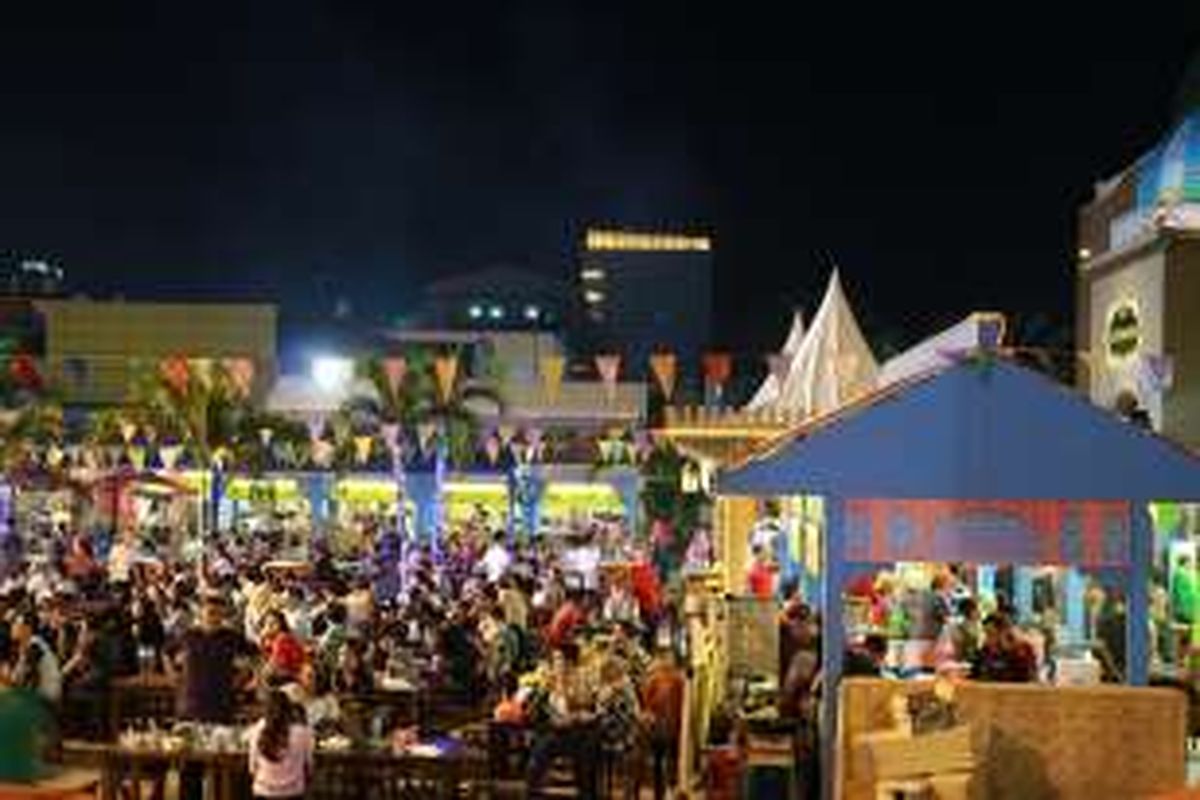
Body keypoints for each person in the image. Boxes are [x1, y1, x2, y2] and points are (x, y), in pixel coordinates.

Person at [171, 596, 258, 800]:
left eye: (218, 613)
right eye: (210, 613)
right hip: (190, 707)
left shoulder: (232, 637)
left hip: (222, 706)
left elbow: (256, 657)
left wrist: (243, 679)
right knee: (190, 766)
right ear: (200, 613)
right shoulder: (188, 636)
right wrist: (175, 678)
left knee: (222, 764)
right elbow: (167, 652)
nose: (214, 617)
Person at [248, 689, 314, 800]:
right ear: (290, 709)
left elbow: (252, 769)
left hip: (263, 792)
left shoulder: (256, 730)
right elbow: (309, 768)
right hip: (293, 793)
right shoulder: (303, 732)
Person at [642, 647, 685, 800]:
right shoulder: (653, 679)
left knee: (672, 760)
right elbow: (647, 703)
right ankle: (659, 793)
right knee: (659, 760)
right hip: (658, 727)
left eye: (669, 658)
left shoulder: (679, 680)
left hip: (673, 726)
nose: (667, 661)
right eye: (664, 658)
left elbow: (682, 704)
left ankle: (672, 789)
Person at [260, 610, 306, 685]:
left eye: (273, 623)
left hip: (293, 670)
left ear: (281, 624)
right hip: (287, 670)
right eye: (267, 624)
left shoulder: (282, 638)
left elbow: (278, 662)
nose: (270, 626)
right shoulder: (271, 640)